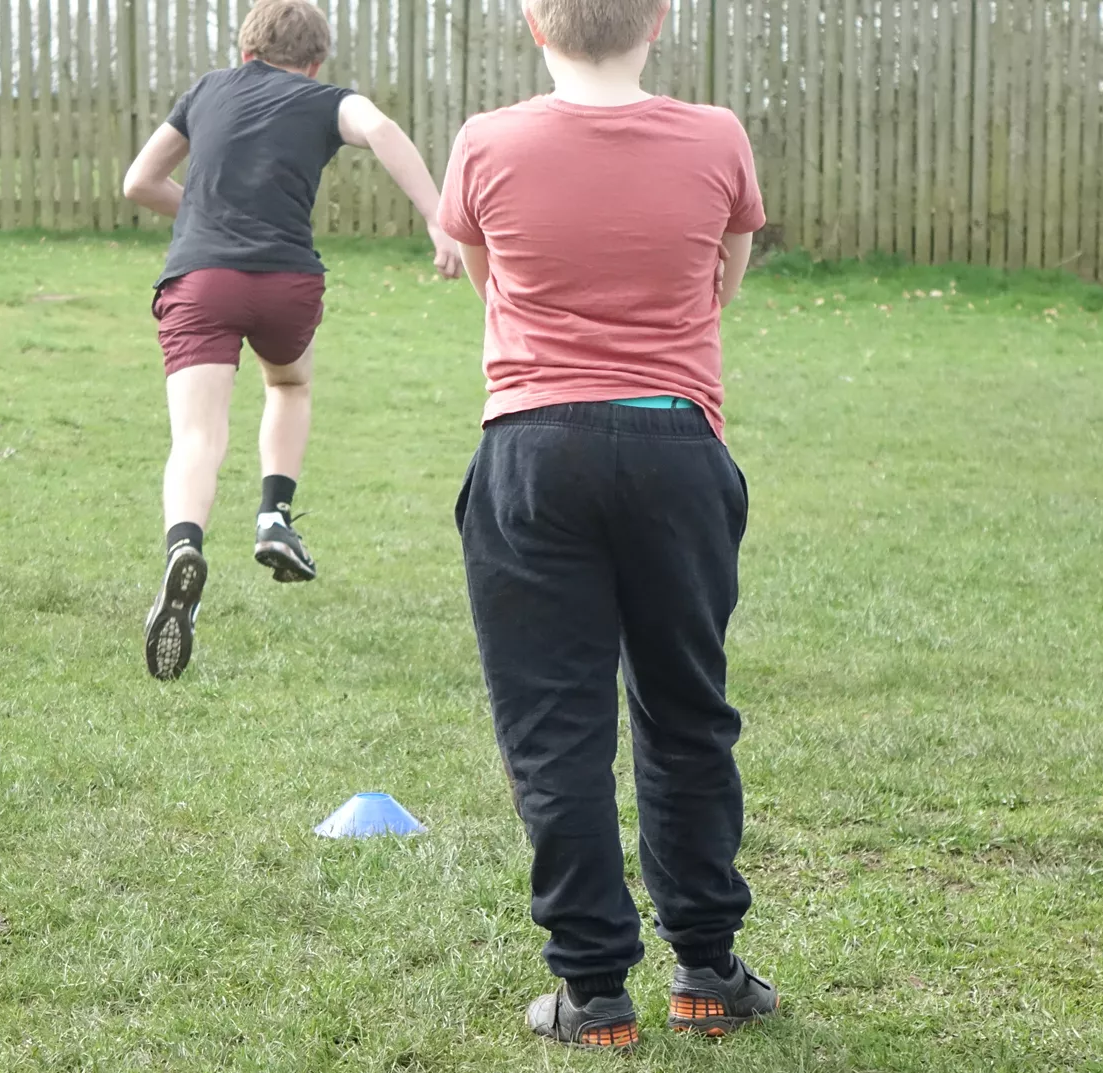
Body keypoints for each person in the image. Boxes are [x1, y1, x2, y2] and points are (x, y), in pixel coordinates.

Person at [437, 0, 776, 1049]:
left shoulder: (485, 143)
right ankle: (709, 969)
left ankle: (592, 993)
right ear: (661, 20)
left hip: (533, 451)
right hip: (676, 447)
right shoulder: (717, 136)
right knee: (685, 709)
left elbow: (493, 291)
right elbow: (721, 288)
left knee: (556, 727)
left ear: (535, 25)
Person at [121, 0, 461, 681]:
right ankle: (274, 513)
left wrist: (207, 208)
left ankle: (183, 552)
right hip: (286, 282)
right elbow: (383, 128)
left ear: (245, 51)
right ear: (314, 64)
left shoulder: (208, 90)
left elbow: (137, 182)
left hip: (201, 280)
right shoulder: (326, 100)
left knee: (196, 438)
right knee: (289, 382)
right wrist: (436, 215)